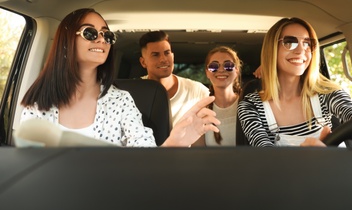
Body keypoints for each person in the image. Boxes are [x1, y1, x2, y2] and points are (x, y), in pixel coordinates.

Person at [20, 8, 220, 148]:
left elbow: (146, 158)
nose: (101, 39)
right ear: (66, 41)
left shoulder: (121, 101)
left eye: (107, 35)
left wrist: (175, 142)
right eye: (90, 33)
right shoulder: (38, 104)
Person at [237, 17, 352, 147]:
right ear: (272, 49)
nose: (301, 50)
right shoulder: (250, 107)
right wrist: (305, 157)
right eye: (290, 42)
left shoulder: (327, 93)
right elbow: (267, 156)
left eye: (307, 43)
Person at [139, 30, 210, 127]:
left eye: (167, 53)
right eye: (155, 55)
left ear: (172, 56)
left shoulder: (196, 91)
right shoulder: (131, 92)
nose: (163, 59)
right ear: (143, 62)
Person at [192, 46, 242, 146]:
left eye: (228, 65)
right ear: (207, 72)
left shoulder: (249, 106)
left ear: (236, 70)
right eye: (214, 66)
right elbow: (198, 156)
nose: (221, 70)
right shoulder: (201, 112)